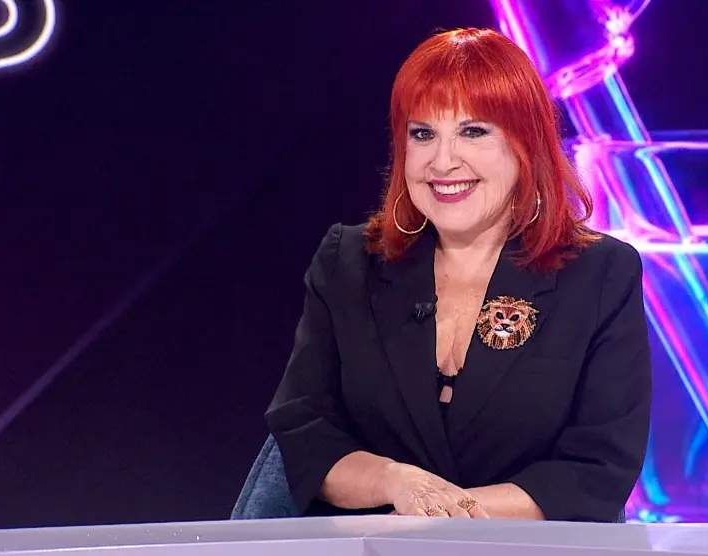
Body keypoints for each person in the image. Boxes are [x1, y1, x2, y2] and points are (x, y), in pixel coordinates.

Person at [265, 27, 652, 523]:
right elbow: (305, 429)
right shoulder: (348, 263)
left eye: (473, 132)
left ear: (526, 144)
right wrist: (393, 482)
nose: (443, 162)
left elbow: (598, 467)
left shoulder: (600, 275)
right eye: (423, 134)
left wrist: (443, 518)